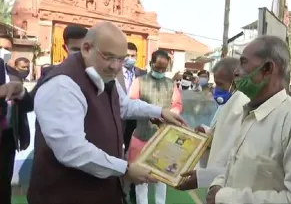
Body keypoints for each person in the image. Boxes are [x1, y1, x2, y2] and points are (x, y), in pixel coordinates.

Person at [0, 21, 188, 204]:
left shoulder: (104, 76)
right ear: (87, 48)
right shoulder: (63, 85)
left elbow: (124, 106)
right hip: (65, 195)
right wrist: (125, 169)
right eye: (108, 56)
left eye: (120, 59)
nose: (115, 66)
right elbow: (72, 150)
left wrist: (161, 112)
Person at [206, 36, 291, 204]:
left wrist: (226, 197)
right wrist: (216, 185)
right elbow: (234, 168)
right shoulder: (250, 112)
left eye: (244, 63)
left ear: (267, 69)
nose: (236, 71)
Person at [176, 57, 250, 191]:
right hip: (216, 179)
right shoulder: (229, 103)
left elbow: (232, 152)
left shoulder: (240, 106)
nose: (216, 89)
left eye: (220, 84)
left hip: (227, 185)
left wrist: (203, 177)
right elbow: (222, 134)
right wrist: (207, 132)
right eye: (216, 84)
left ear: (235, 82)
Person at [128, 50, 183, 204]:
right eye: (157, 67)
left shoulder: (171, 84)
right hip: (141, 136)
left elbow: (177, 104)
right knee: (141, 179)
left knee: (161, 178)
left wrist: (172, 112)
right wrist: (149, 112)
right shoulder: (139, 81)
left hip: (163, 138)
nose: (160, 71)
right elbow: (132, 102)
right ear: (151, 63)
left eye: (163, 69)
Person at [116, 42, 147, 204]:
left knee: (135, 158)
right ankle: (120, 192)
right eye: (126, 55)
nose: (130, 59)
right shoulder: (112, 72)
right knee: (117, 155)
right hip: (117, 122)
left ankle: (135, 191)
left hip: (136, 123)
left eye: (133, 56)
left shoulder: (143, 75)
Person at [0, 57, 32, 204]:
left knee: (4, 186)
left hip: (7, 139)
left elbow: (28, 105)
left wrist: (21, 92)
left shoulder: (13, 77)